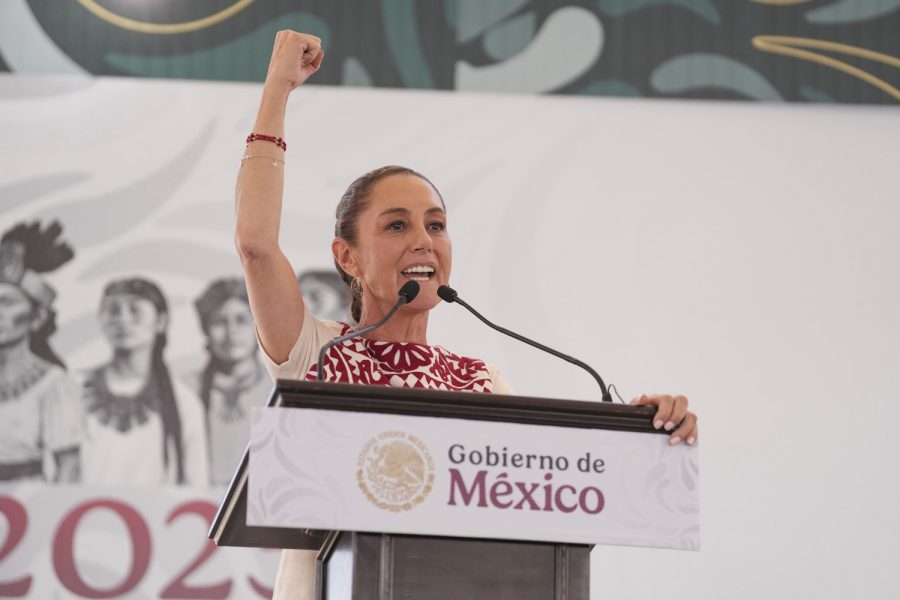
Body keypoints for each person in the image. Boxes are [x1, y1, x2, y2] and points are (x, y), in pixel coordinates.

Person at [235, 30, 699, 600]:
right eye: (397, 225)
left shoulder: (478, 382)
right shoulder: (318, 355)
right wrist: (278, 89)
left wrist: (643, 435)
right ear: (347, 256)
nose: (424, 241)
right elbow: (256, 246)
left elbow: (547, 495)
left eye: (436, 225)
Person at [80, 277, 209, 486]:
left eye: (135, 311)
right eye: (113, 311)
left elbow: (196, 484)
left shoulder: (184, 402)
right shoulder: (73, 390)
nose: (122, 320)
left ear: (161, 322)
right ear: (100, 319)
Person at [0, 221, 80, 483]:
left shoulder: (53, 383)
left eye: (7, 302)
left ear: (37, 317)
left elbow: (69, 467)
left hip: (25, 501)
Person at [186, 277, 271, 486]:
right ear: (205, 330)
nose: (231, 331)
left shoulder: (277, 389)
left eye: (242, 320)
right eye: (219, 322)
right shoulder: (186, 390)